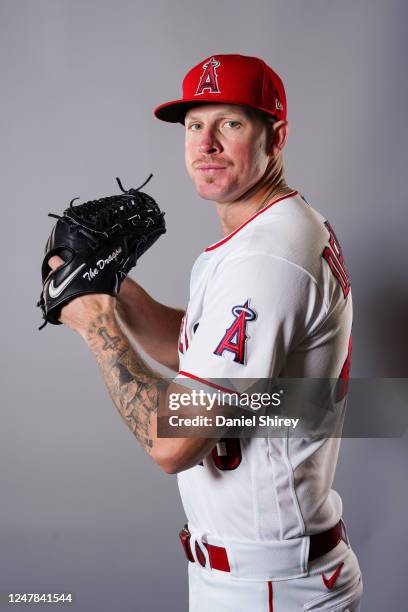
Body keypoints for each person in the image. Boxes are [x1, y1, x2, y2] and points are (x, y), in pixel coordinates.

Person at [48, 54, 362, 611]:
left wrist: (94, 323)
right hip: (260, 575)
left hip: (273, 588)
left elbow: (174, 443)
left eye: (231, 124)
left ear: (277, 136)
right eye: (195, 125)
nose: (205, 143)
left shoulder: (269, 259)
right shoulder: (266, 233)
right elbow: (193, 349)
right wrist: (110, 285)